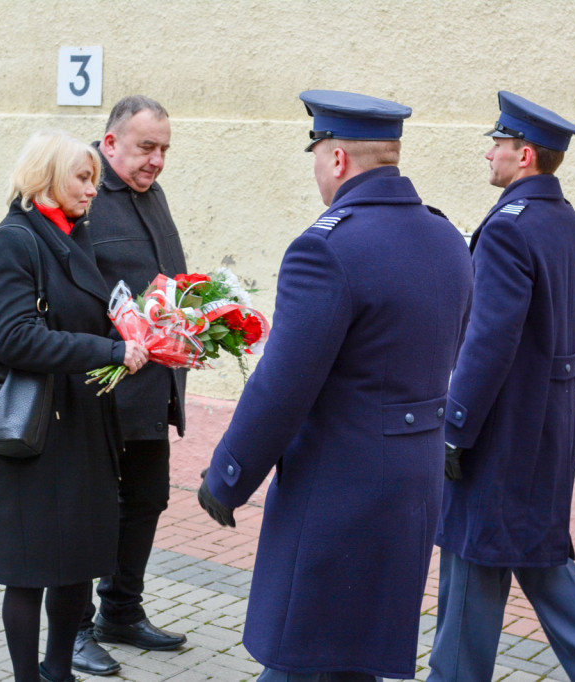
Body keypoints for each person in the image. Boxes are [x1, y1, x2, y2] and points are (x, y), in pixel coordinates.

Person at [198, 90, 474, 681]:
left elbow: (282, 386)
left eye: (317, 155)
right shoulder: (447, 239)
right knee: (353, 660)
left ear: (338, 159)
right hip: (414, 484)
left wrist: (228, 476)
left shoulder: (326, 248)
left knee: (301, 660)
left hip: (339, 488)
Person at [428, 92, 575, 682]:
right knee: (535, 548)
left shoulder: (508, 229)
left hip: (501, 426)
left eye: (497, 143)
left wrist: (456, 428)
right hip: (550, 424)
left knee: (473, 551)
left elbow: (488, 342)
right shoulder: (565, 220)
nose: (488, 154)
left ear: (524, 155)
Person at [0, 128, 148, 682]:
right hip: (33, 430)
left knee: (77, 563)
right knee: (29, 570)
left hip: (81, 423)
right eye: (83, 177)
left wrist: (143, 331)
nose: (93, 189)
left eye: (94, 179)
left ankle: (58, 672)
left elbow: (86, 316)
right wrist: (108, 350)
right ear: (46, 176)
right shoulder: (15, 240)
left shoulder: (71, 234)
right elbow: (13, 338)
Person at [73, 94, 189, 676]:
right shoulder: (81, 190)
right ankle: (72, 630)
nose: (157, 160)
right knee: (87, 510)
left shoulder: (153, 194)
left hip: (151, 387)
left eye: (164, 149)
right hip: (97, 390)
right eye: (147, 147)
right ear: (111, 142)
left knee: (147, 498)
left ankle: (120, 611)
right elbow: (68, 294)